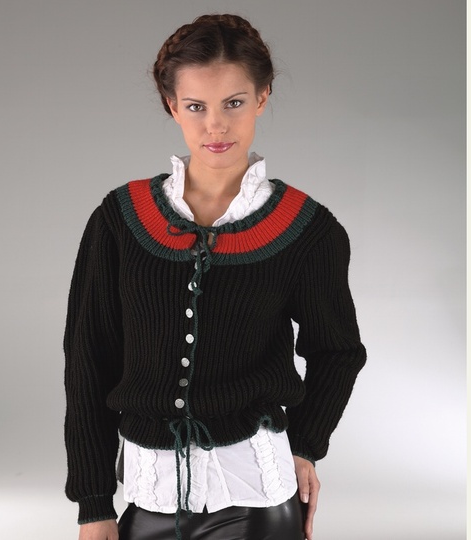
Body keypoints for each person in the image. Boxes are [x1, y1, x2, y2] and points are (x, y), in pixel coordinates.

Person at [64, 13, 366, 540]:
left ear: (263, 97)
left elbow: (337, 351)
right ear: (171, 105)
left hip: (256, 494)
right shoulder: (120, 219)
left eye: (234, 103)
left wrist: (305, 445)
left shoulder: (306, 229)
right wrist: (93, 504)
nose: (216, 126)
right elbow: (89, 359)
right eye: (196, 106)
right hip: (149, 493)